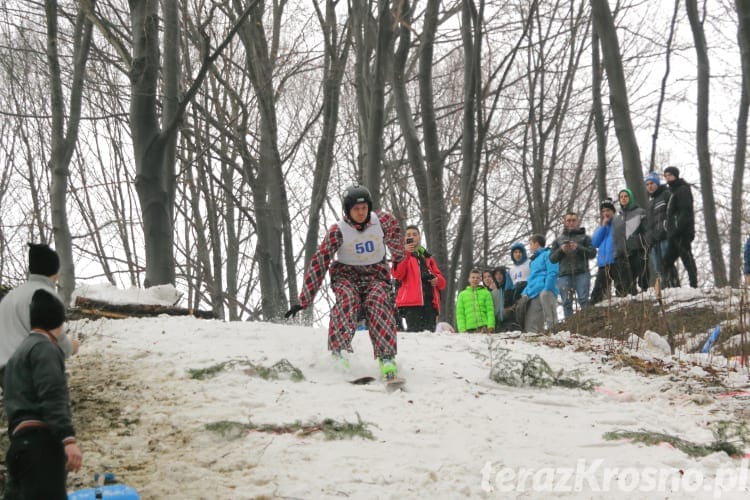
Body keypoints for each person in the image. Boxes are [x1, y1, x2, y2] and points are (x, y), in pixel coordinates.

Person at [285, 184, 404, 379]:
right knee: (348, 300)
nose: (360, 212)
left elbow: (397, 243)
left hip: (376, 276)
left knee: (379, 301)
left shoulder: (383, 221)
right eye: (356, 209)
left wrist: (400, 259)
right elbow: (319, 262)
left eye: (364, 208)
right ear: (347, 210)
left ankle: (387, 356)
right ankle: (338, 351)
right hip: (347, 277)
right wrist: (304, 300)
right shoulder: (337, 231)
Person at [3, 289, 83, 499]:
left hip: (19, 447)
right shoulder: (45, 348)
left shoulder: (17, 355)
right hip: (41, 448)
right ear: (58, 322)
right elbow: (53, 393)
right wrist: (68, 439)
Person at [0, 243, 77, 390]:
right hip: (28, 370)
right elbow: (58, 341)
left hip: (4, 372)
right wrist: (71, 347)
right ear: (55, 272)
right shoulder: (46, 296)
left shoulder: (11, 296)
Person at [392, 225, 446, 332]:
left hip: (430, 303)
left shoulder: (427, 257)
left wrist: (437, 280)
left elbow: (443, 283)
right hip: (411, 304)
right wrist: (406, 253)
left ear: (419, 237)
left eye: (414, 234)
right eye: (408, 235)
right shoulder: (400, 255)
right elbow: (398, 274)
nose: (411, 237)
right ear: (405, 239)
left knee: (430, 336)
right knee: (414, 336)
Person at [549, 212, 596, 319]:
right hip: (564, 274)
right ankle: (569, 328)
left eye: (573, 220)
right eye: (568, 220)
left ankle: (586, 323)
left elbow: (592, 253)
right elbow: (552, 259)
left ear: (577, 222)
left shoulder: (585, 238)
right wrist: (561, 250)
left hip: (582, 272)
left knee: (583, 299)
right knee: (566, 302)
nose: (571, 223)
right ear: (564, 222)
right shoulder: (558, 240)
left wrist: (578, 248)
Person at [662, 166, 698, 288]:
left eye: (670, 175)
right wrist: (669, 226)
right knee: (666, 261)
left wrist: (678, 228)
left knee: (687, 258)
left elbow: (685, 211)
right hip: (673, 233)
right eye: (665, 176)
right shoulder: (673, 191)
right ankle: (673, 287)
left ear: (676, 175)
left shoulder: (682, 189)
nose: (667, 178)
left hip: (682, 232)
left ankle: (694, 286)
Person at [516, 234, 559, 333]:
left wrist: (547, 288)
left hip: (546, 290)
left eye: (530, 244)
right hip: (534, 293)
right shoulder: (533, 260)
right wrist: (525, 293)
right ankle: (536, 344)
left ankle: (556, 336)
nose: (530, 247)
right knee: (531, 322)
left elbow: (553, 272)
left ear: (536, 243)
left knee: (551, 319)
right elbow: (531, 279)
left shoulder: (549, 254)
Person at [612, 188, 647, 295]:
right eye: (621, 197)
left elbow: (646, 231)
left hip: (638, 251)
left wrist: (643, 244)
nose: (623, 198)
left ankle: (646, 301)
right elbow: (615, 238)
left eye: (625, 196)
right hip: (622, 254)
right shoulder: (616, 219)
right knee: (628, 284)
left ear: (630, 198)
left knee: (643, 279)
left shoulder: (640, 212)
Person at [644, 172, 672, 288]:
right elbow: (649, 224)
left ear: (657, 183)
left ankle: (674, 289)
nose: (649, 186)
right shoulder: (650, 203)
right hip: (653, 241)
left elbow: (673, 213)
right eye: (647, 184)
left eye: (652, 183)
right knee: (658, 269)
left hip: (665, 237)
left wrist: (668, 228)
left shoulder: (667, 194)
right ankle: (664, 290)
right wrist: (648, 239)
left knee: (668, 265)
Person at [590, 199, 617, 304]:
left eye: (608, 210)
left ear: (613, 212)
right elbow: (595, 243)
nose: (606, 213)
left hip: (616, 260)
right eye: (603, 211)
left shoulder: (618, 223)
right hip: (603, 264)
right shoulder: (601, 227)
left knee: (621, 288)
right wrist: (603, 227)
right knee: (597, 292)